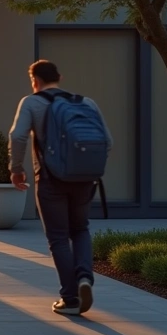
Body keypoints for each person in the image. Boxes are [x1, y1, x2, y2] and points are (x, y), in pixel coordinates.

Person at [9, 60, 112, 315]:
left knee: (58, 236)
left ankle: (70, 298)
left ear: (35, 81)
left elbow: (17, 135)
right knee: (80, 229)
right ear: (59, 77)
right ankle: (84, 278)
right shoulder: (86, 103)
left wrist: (16, 168)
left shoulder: (31, 102)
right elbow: (107, 142)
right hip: (85, 179)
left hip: (51, 178)